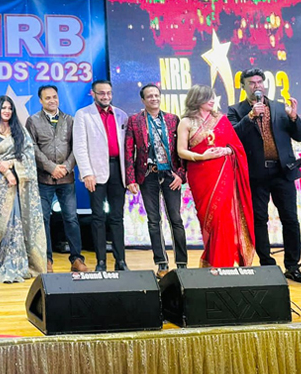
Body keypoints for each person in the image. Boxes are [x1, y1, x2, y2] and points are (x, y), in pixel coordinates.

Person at [228, 69, 301, 283]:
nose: (257, 86)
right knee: (259, 220)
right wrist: (250, 117)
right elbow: (232, 136)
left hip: (283, 172)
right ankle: (267, 266)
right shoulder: (236, 110)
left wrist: (294, 118)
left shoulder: (280, 107)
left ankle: (292, 266)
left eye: (259, 82)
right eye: (251, 83)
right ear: (243, 86)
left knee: (290, 219)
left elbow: (300, 136)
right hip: (255, 174)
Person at [177, 84, 255, 268]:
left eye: (213, 97)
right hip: (201, 175)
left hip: (224, 173)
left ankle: (221, 264)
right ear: (197, 99)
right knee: (210, 220)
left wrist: (227, 150)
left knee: (224, 218)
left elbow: (235, 146)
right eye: (208, 97)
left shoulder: (221, 119)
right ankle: (213, 262)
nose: (213, 100)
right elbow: (181, 151)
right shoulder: (186, 122)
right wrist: (201, 156)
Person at [0, 96, 47, 283]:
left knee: (15, 224)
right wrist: (6, 171)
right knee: (1, 225)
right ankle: (1, 263)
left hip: (16, 185)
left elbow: (27, 155)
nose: (7, 111)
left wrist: (11, 167)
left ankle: (16, 265)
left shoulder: (19, 131)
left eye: (10, 108)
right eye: (3, 108)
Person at [125, 84, 188, 279]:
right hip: (148, 175)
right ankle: (161, 262)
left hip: (171, 175)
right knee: (154, 220)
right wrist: (131, 179)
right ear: (143, 100)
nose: (154, 98)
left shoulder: (172, 119)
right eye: (149, 96)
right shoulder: (135, 120)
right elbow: (129, 150)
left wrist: (181, 174)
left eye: (156, 95)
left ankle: (182, 263)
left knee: (176, 219)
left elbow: (182, 148)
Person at [25, 85, 88, 273]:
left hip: (66, 179)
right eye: (48, 98)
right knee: (43, 219)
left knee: (71, 218)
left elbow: (77, 146)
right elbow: (32, 148)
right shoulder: (33, 121)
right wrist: (51, 168)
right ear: (41, 100)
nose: (52, 100)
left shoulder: (70, 120)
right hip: (43, 179)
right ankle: (46, 260)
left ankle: (77, 259)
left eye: (54, 97)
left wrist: (66, 167)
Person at [73, 80, 129, 272]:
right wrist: (86, 173)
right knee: (98, 217)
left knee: (117, 217)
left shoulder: (121, 115)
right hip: (95, 173)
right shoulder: (83, 115)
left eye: (108, 93)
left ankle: (120, 261)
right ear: (93, 94)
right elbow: (79, 146)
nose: (106, 96)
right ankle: (101, 262)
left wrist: (130, 176)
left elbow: (128, 148)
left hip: (118, 170)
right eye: (101, 93)